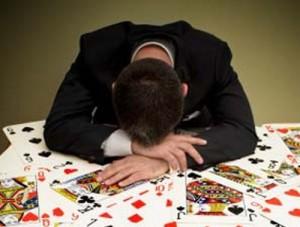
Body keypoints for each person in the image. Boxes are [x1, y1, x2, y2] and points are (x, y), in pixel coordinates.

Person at [44, 21, 257, 187]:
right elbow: (59, 126)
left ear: (183, 90)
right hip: (112, 161)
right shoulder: (95, 50)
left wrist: (167, 161)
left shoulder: (212, 56)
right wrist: (133, 146)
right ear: (115, 87)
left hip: (189, 164)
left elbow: (242, 131)